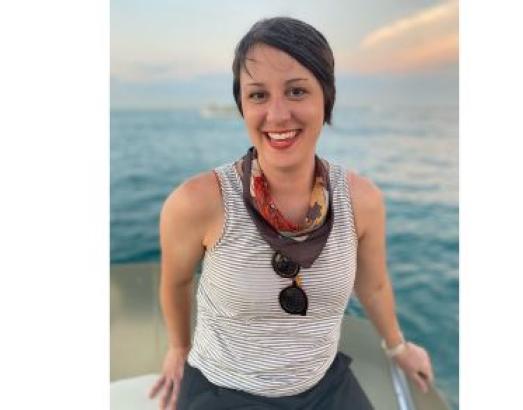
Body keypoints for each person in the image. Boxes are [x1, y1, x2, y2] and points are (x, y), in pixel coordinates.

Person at [146, 17, 434, 410]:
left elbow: (374, 285)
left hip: (323, 386)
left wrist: (398, 346)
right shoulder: (197, 202)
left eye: (297, 91)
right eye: (258, 95)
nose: (278, 115)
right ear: (242, 106)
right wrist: (178, 347)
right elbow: (175, 282)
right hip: (223, 388)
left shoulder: (361, 201)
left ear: (325, 99)